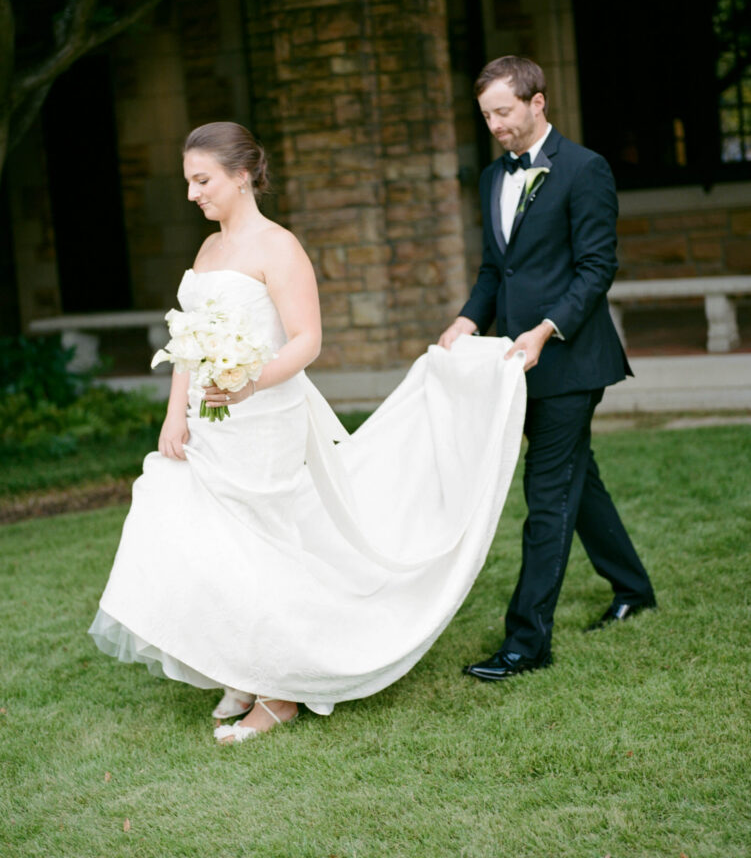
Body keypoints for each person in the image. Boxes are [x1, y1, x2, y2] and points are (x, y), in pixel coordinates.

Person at [90, 121, 528, 742]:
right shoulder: (208, 252)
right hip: (209, 423)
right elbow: (187, 342)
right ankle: (243, 666)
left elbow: (308, 342)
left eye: (202, 180)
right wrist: (174, 414)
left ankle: (279, 694)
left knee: (261, 549)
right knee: (199, 535)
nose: (192, 194)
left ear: (242, 177)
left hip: (263, 419)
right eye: (188, 181)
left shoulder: (279, 248)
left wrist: (249, 383)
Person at [439, 56, 656, 683]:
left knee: (548, 495)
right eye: (486, 115)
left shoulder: (586, 170)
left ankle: (526, 643)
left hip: (569, 360)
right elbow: (494, 271)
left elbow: (596, 268)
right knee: (576, 479)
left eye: (503, 111)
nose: (496, 125)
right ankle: (633, 587)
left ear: (538, 102)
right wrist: (466, 321)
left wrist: (543, 330)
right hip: (515, 364)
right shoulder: (489, 179)